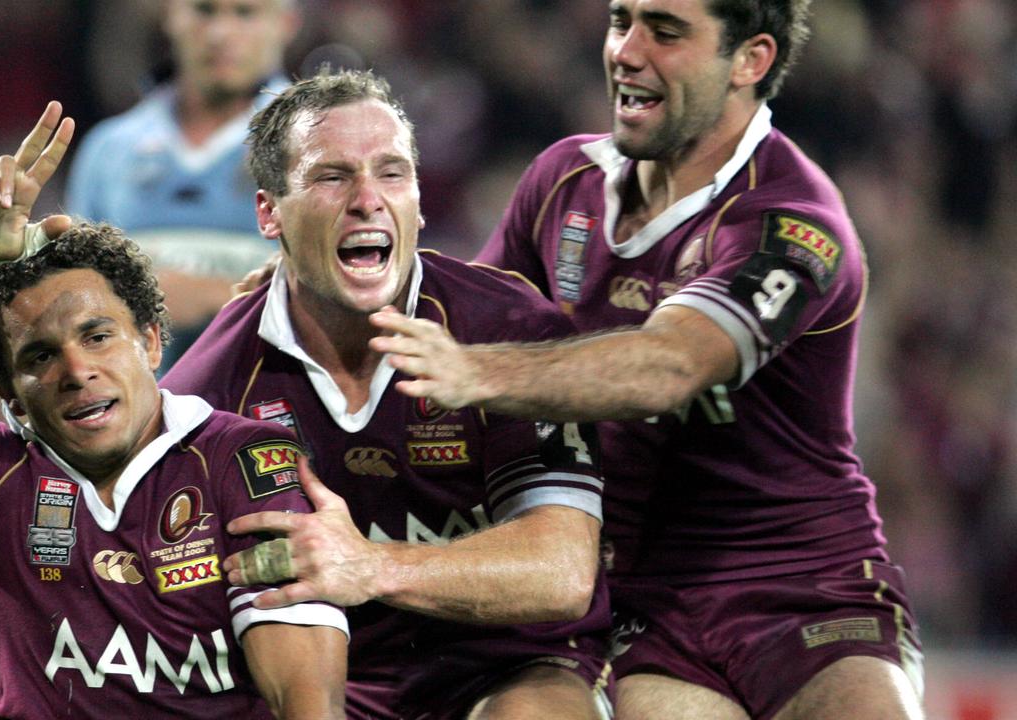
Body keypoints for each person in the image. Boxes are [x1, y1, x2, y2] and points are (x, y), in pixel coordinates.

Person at [369, 2, 925, 719]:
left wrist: (479, 372)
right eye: (620, 20)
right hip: (642, 612)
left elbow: (670, 366)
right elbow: (455, 314)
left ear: (750, 60)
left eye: (664, 32)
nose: (625, 51)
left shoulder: (790, 220)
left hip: (806, 589)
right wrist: (323, 300)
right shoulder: (560, 184)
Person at [0, 101, 347, 719]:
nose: (77, 371)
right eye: (41, 357)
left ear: (153, 342)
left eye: (98, 336)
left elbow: (305, 700)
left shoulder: (245, 463)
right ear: (11, 395)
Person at [165, 69, 613, 719]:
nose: (368, 199)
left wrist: (370, 566)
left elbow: (562, 574)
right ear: (270, 212)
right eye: (332, 176)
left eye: (392, 172)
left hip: (514, 664)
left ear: (420, 202)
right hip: (325, 683)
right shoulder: (210, 391)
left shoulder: (509, 334)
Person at [66, 0, 301, 370]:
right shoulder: (108, 151)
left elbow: (359, 300)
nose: (220, 33)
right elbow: (71, 303)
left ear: (286, 23)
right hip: (141, 415)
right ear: (170, 16)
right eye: (204, 11)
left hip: (272, 410)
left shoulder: (318, 144)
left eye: (245, 13)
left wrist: (217, 296)